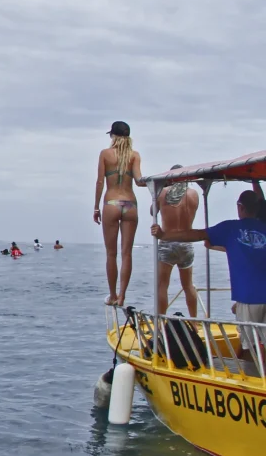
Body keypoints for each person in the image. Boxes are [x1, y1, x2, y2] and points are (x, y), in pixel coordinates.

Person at [151, 190, 266, 361]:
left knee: (251, 345)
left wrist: (164, 235)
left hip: (249, 298)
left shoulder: (231, 228)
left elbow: (195, 234)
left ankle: (257, 382)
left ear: (240, 207)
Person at [94, 121, 146, 306]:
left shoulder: (105, 154)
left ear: (113, 136)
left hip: (111, 203)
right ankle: (123, 296)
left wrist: (96, 207)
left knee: (111, 254)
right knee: (127, 254)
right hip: (130, 204)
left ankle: (113, 296)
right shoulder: (135, 156)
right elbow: (139, 181)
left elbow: (100, 182)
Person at [152, 165, 200, 317]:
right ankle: (194, 320)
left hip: (167, 242)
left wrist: (162, 189)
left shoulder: (162, 193)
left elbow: (153, 211)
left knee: (162, 286)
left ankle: (160, 321)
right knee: (188, 285)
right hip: (186, 243)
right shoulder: (194, 195)